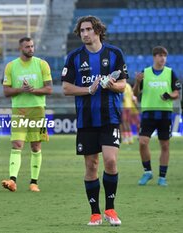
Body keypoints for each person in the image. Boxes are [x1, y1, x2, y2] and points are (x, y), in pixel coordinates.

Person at [62, 16, 128, 226]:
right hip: (86, 120)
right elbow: (66, 88)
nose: (85, 34)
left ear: (98, 31)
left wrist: (110, 85)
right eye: (82, 30)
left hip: (110, 117)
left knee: (110, 161)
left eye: (89, 29)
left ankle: (110, 208)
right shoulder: (74, 57)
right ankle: (95, 213)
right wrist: (88, 89)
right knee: (91, 165)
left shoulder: (114, 53)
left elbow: (123, 85)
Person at [1, 37, 53, 193]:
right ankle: (12, 180)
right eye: (27, 47)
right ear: (20, 49)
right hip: (19, 110)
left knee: (36, 146)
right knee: (17, 144)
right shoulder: (11, 66)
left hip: (38, 109)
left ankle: (33, 182)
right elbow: (6, 91)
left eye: (32, 46)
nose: (31, 49)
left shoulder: (42, 64)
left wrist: (33, 90)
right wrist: (20, 90)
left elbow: (49, 89)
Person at [133, 46, 181, 187]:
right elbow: (135, 94)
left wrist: (169, 95)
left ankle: (162, 177)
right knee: (142, 142)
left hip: (165, 113)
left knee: (165, 145)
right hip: (148, 113)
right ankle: (147, 172)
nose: (162, 58)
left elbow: (176, 93)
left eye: (164, 56)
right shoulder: (145, 73)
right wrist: (137, 82)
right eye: (160, 56)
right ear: (154, 57)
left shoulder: (170, 73)